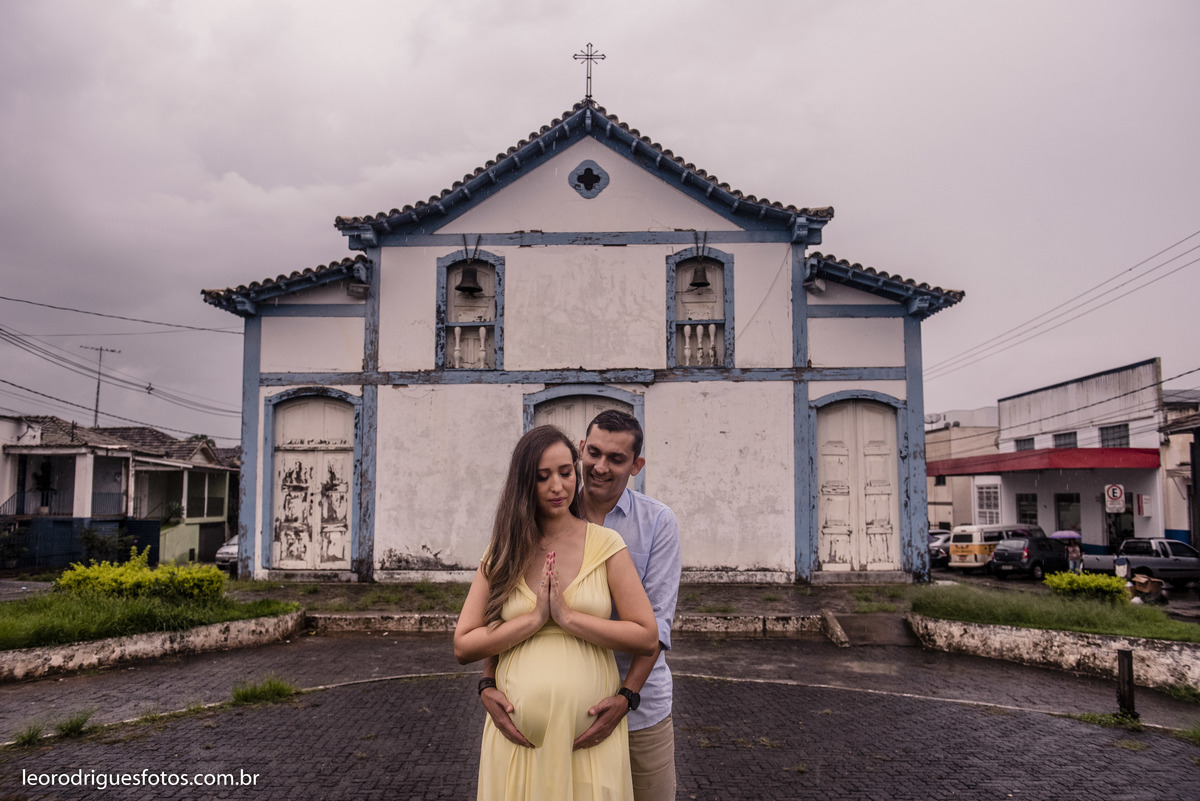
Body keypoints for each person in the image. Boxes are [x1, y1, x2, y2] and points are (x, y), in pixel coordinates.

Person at [480, 411, 683, 801]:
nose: (600, 467)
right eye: (593, 453)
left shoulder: (657, 522)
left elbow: (655, 627)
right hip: (556, 721)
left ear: (636, 465)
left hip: (640, 707)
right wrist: (488, 680)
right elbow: (502, 602)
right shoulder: (551, 508)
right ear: (580, 450)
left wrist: (626, 697)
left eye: (616, 459)